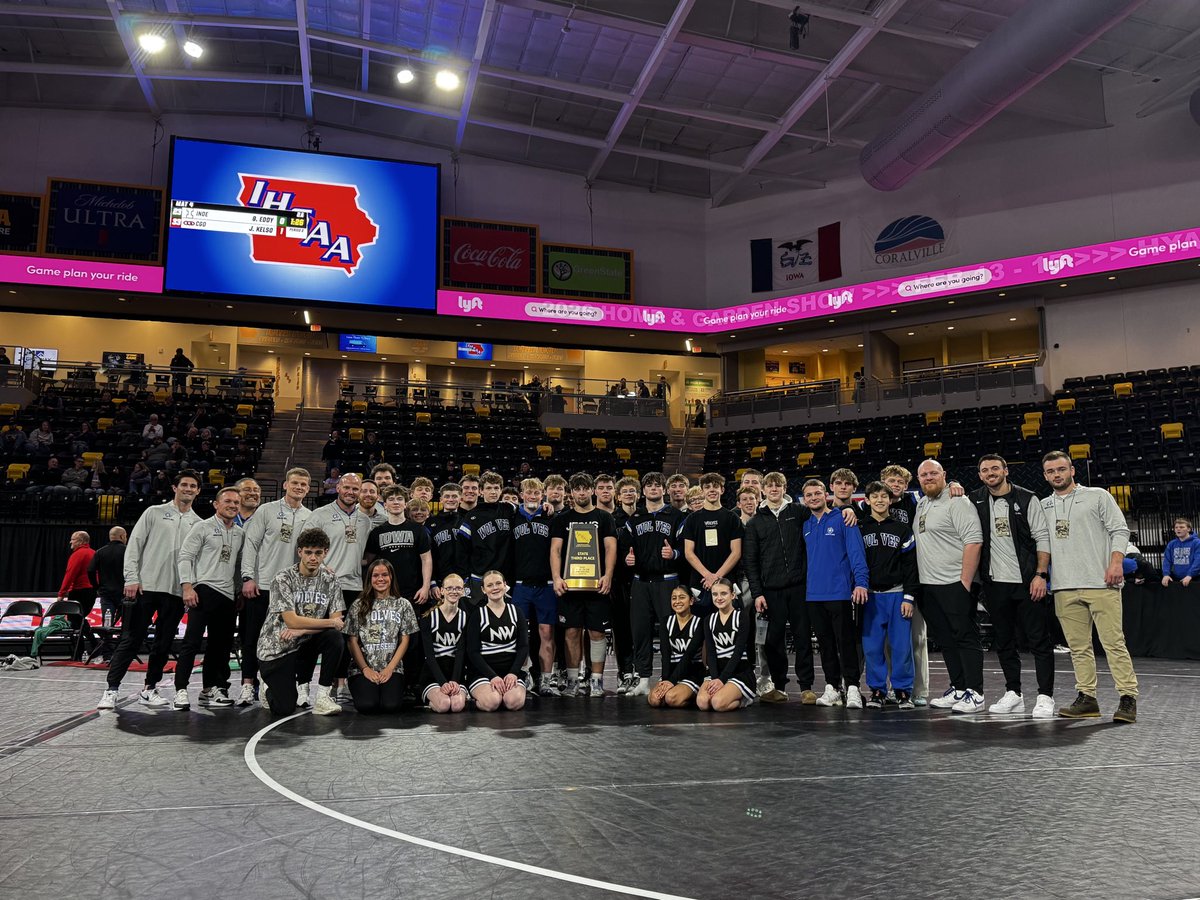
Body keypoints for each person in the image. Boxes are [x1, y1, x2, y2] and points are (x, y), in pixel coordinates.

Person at [1041, 451, 1138, 723]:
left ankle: (1128, 698)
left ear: (1072, 470)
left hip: (1101, 582)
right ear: (1045, 475)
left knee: (1113, 643)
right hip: (1064, 586)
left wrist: (1116, 562)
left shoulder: (1098, 495)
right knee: (1078, 647)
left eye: (1061, 469)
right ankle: (1087, 698)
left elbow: (1120, 530)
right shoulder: (1043, 505)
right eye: (1051, 471)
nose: (1057, 475)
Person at [97, 470, 203, 710]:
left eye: (193, 486)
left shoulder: (198, 523)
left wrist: (190, 587)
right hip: (145, 588)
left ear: (198, 491)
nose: (188, 489)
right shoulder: (153, 512)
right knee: (131, 640)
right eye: (184, 484)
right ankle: (111, 689)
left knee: (163, 644)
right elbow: (134, 546)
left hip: (175, 592)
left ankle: (150, 688)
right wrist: (132, 578)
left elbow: (195, 560)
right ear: (174, 488)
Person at [970, 455, 1055, 718]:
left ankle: (1045, 697)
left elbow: (1042, 536)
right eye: (985, 470)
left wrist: (1041, 574)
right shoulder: (975, 499)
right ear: (980, 475)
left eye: (995, 468)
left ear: (1005, 471)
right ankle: (1013, 693)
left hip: (1028, 581)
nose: (990, 473)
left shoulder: (1028, 498)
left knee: (1039, 640)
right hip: (995, 584)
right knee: (1004, 641)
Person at [915, 459, 985, 714]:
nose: (929, 478)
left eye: (934, 473)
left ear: (944, 475)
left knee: (965, 638)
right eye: (924, 475)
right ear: (918, 479)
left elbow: (974, 541)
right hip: (929, 586)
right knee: (946, 639)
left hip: (955, 583)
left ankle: (975, 693)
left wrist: (965, 582)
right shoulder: (922, 503)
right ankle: (958, 687)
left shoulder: (958, 501)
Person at [240, 468, 313, 706]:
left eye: (303, 484)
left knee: (292, 639)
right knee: (253, 637)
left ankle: (288, 684)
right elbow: (251, 544)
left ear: (308, 488)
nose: (299, 487)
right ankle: (248, 685)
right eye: (295, 483)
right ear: (285, 485)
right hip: (263, 585)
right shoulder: (266, 510)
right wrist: (247, 577)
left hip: (293, 591)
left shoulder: (309, 516)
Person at [256, 528, 345, 716]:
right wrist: (325, 623)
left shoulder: (331, 580)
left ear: (325, 553)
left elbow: (337, 622)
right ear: (300, 552)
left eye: (318, 553)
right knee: (283, 708)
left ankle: (322, 697)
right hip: (278, 647)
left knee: (334, 638)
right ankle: (266, 684)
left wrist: (301, 630)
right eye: (308, 552)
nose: (313, 557)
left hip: (304, 642)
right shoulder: (282, 579)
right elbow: (291, 621)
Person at [744, 471, 815, 704]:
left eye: (778, 485)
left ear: (785, 488)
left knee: (802, 636)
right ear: (763, 490)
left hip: (799, 587)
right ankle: (779, 686)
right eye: (770, 486)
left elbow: (822, 512)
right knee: (773, 641)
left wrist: (846, 509)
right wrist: (757, 593)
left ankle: (806, 687)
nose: (774, 489)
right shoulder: (755, 522)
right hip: (770, 591)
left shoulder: (799, 513)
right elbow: (751, 562)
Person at [173, 486, 245, 709]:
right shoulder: (201, 527)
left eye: (236, 503)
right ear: (216, 504)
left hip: (227, 596)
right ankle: (181, 690)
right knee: (192, 643)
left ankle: (210, 689)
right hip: (203, 591)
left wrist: (239, 591)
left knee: (220, 646)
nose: (232, 505)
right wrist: (187, 586)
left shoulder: (240, 533)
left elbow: (239, 567)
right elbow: (185, 556)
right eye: (228, 502)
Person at [801, 478, 869, 708]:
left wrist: (860, 583)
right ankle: (832, 687)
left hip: (840, 592)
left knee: (846, 642)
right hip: (813, 595)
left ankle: (852, 687)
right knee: (825, 643)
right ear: (804, 499)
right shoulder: (806, 525)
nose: (813, 498)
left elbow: (856, 553)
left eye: (817, 493)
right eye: (809, 495)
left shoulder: (843, 518)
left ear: (825, 494)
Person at [551, 473, 618, 697]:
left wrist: (608, 575)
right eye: (577, 489)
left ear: (592, 491)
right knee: (571, 632)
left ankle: (596, 681)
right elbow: (556, 550)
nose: (581, 493)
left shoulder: (604, 517)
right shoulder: (562, 519)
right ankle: (572, 680)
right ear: (571, 492)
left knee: (597, 633)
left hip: (597, 586)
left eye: (585, 488)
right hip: (570, 587)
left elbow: (610, 548)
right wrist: (557, 578)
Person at [621, 471, 684, 697]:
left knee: (670, 633)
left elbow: (686, 550)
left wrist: (674, 553)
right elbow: (624, 551)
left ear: (664, 490)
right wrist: (627, 560)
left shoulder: (676, 516)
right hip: (640, 583)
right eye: (649, 486)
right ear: (643, 491)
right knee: (640, 632)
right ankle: (644, 679)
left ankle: (669, 677)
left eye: (658, 486)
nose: (654, 489)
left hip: (668, 582)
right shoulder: (634, 519)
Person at [859, 482, 919, 710]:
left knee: (901, 646)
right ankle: (877, 691)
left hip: (897, 595)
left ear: (890, 500)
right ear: (867, 500)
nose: (880, 500)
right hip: (870, 597)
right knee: (872, 647)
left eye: (884, 496)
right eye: (875, 497)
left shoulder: (902, 529)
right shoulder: (860, 527)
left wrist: (909, 597)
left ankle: (903, 691)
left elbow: (911, 567)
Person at [345, 559, 420, 715]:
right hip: (362, 669)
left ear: (391, 577)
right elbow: (352, 641)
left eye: (385, 574)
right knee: (368, 705)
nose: (380, 579)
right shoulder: (358, 605)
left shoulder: (403, 604)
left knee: (390, 706)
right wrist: (365, 669)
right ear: (369, 579)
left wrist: (390, 669)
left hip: (392, 668)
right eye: (375, 575)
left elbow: (405, 640)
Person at [510, 477, 559, 696]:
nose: (532, 497)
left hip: (546, 584)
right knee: (520, 634)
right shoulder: (512, 516)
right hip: (520, 584)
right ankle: (525, 675)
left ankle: (546, 680)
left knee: (546, 632)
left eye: (537, 493)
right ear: (521, 495)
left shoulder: (550, 517)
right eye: (528, 493)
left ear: (542, 495)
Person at [466, 570, 529, 711]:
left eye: (498, 583)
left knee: (513, 702)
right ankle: (480, 696)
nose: (495, 588)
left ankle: (504, 692)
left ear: (505, 585)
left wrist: (513, 672)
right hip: (483, 673)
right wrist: (492, 676)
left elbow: (523, 647)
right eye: (490, 585)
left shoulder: (516, 611)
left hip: (510, 672)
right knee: (492, 703)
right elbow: (473, 652)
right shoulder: (477, 615)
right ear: (483, 590)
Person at [682, 472, 743, 616]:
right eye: (707, 487)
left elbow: (736, 552)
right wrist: (708, 575)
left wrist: (717, 577)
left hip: (726, 582)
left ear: (722, 490)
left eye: (716, 486)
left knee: (728, 627)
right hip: (700, 582)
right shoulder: (692, 519)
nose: (712, 490)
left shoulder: (732, 518)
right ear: (702, 490)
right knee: (701, 629)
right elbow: (688, 552)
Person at [365, 486, 432, 609]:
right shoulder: (377, 532)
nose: (395, 502)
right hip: (384, 592)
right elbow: (368, 562)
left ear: (405, 504)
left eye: (399, 499)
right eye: (391, 499)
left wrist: (426, 587)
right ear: (385, 505)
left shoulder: (418, 530)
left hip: (413, 592)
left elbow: (426, 559)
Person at [697, 578, 756, 712]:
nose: (719, 598)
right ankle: (725, 692)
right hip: (717, 671)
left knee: (717, 703)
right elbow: (711, 653)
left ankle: (744, 700)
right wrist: (715, 677)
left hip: (738, 670)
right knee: (702, 703)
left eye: (723, 593)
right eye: (715, 594)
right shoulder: (708, 620)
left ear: (733, 595)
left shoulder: (742, 617)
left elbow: (738, 651)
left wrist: (722, 680)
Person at [457, 470, 513, 602]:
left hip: (505, 577)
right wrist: (465, 578)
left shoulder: (509, 509)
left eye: (496, 488)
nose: (493, 492)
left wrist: (546, 506)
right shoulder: (471, 516)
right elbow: (462, 549)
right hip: (479, 577)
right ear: (481, 491)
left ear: (501, 490)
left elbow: (529, 509)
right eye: (488, 488)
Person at [648, 586, 705, 708]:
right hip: (671, 671)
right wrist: (665, 680)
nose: (677, 601)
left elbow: (688, 655)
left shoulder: (699, 623)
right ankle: (678, 692)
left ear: (691, 601)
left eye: (682, 597)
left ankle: (694, 696)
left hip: (692, 671)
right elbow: (665, 654)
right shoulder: (666, 622)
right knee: (655, 700)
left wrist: (672, 681)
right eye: (674, 598)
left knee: (671, 698)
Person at [420, 573, 469, 713]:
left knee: (457, 705)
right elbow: (429, 655)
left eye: (458, 588)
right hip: (433, 673)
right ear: (442, 591)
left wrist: (454, 680)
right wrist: (442, 682)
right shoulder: (428, 617)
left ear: (463, 591)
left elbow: (461, 652)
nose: (454, 591)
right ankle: (431, 700)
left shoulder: (465, 617)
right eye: (450, 588)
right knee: (444, 705)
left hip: (456, 672)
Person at [88, 526, 127, 660]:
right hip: (125, 593)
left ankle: (107, 655)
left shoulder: (100, 552)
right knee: (127, 623)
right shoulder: (127, 551)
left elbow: (90, 570)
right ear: (122, 536)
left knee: (107, 624)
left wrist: (96, 586)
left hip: (106, 593)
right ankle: (123, 654)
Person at [58, 531, 96, 622]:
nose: (70, 542)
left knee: (74, 620)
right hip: (92, 592)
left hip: (79, 592)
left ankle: (90, 636)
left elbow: (70, 575)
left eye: (73, 539)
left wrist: (61, 594)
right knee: (80, 620)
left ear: (81, 541)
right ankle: (89, 636)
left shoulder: (77, 554)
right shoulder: (95, 553)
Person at [1162, 517, 1200, 587]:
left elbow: (1198, 561)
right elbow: (1167, 560)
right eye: (1176, 527)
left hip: (1194, 579)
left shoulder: (1197, 542)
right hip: (1176, 579)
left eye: (1182, 527)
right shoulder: (1171, 544)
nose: (1178, 529)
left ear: (1189, 529)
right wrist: (1166, 574)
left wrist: (1190, 575)